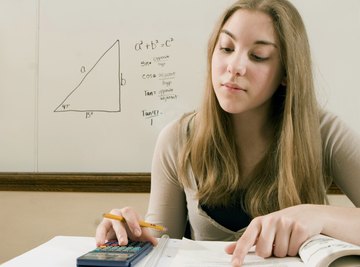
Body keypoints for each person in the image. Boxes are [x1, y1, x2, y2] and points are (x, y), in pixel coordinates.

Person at [96, 0, 360, 266]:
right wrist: (133, 236)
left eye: (257, 56)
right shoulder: (177, 139)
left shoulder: (324, 132)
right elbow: (162, 241)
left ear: (287, 72)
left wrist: (315, 216)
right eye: (226, 48)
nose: (234, 67)